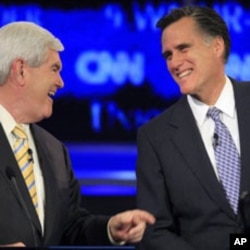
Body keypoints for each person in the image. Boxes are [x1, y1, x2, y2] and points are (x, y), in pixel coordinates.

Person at [0, 21, 155, 247]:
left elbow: (69, 225)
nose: (60, 82)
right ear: (21, 70)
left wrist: (109, 228)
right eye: (54, 69)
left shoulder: (54, 151)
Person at [136, 5, 250, 250]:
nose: (175, 63)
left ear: (217, 46)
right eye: (168, 55)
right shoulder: (155, 137)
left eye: (183, 49)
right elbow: (154, 230)